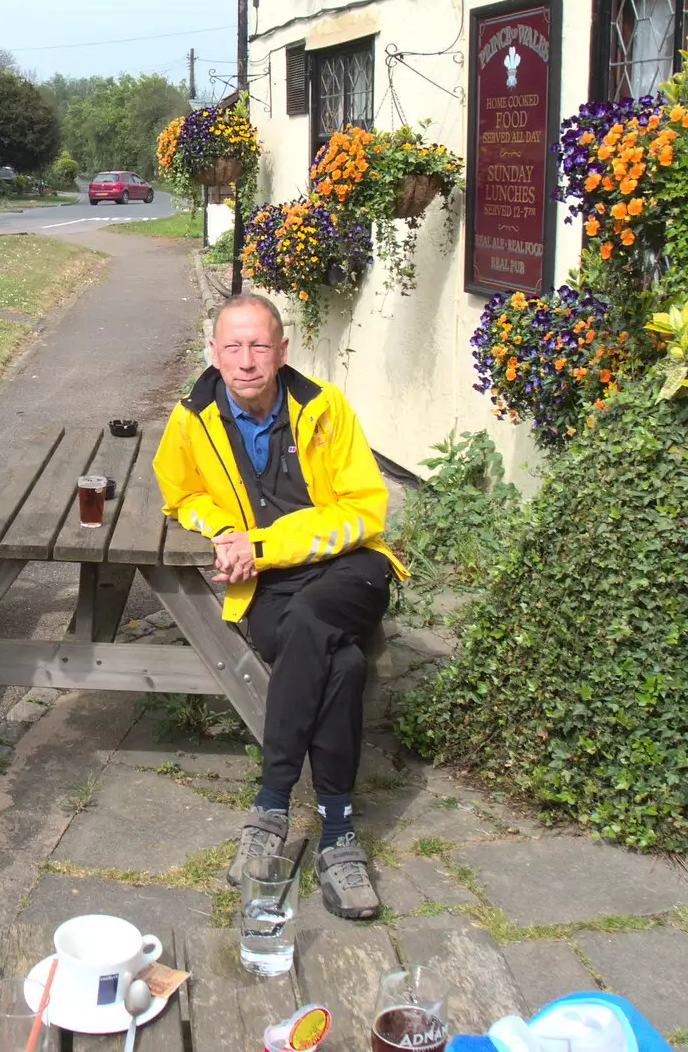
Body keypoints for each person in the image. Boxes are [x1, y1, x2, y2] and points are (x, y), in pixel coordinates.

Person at [153, 293, 408, 920]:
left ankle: (271, 803)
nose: (245, 361)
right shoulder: (193, 417)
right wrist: (220, 532)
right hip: (267, 587)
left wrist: (259, 544)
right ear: (213, 353)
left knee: (315, 621)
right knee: (341, 667)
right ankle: (338, 832)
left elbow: (363, 510)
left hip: (349, 569)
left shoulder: (324, 408)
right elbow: (177, 493)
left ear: (282, 351)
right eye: (233, 347)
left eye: (259, 346)